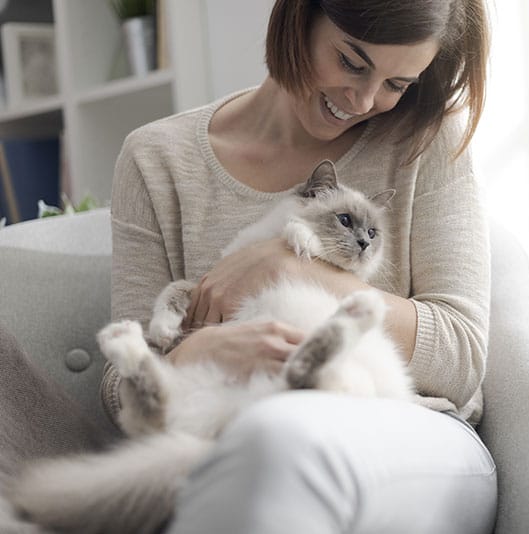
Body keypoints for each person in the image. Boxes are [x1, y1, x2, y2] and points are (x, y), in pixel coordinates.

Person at [102, 0, 497, 532]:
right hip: (228, 417)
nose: (363, 100)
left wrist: (287, 266)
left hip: (409, 431)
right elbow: (119, 383)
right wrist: (192, 351)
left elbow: (461, 355)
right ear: (300, 16)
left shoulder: (426, 142)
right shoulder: (155, 159)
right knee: (243, 454)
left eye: (396, 85)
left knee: (274, 446)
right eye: (352, 62)